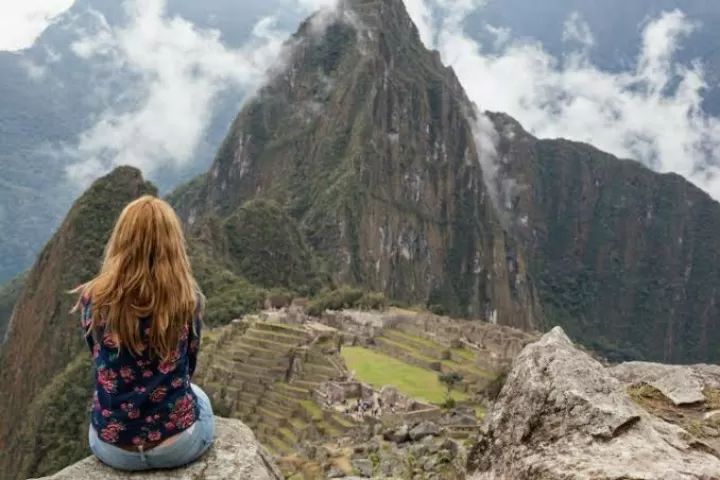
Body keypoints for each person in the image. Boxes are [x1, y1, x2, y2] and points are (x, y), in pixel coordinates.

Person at [71, 195, 215, 471]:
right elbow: (189, 366)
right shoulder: (187, 301)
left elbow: (98, 356)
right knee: (200, 395)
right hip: (177, 446)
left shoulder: (93, 299)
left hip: (113, 449)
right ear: (173, 244)